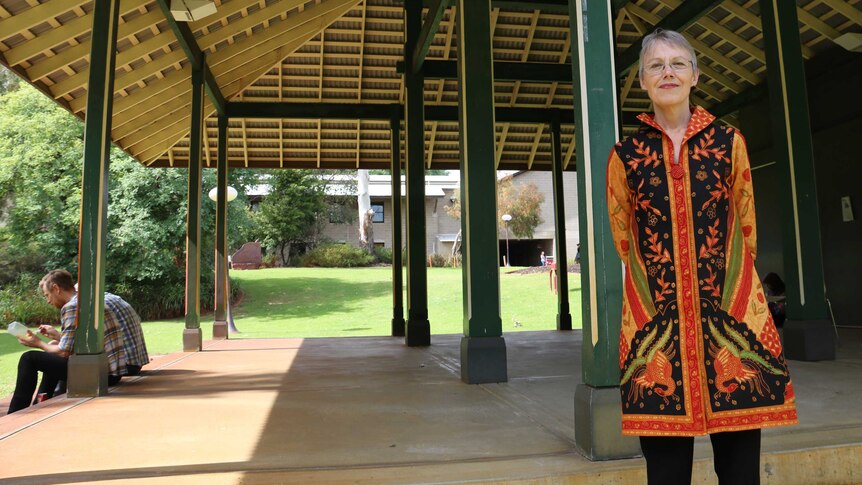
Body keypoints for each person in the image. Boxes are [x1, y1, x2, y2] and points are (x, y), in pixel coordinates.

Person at [605, 29, 797, 485]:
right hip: (656, 330)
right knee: (666, 472)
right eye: (656, 65)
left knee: (739, 470)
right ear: (643, 82)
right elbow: (623, 238)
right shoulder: (626, 155)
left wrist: (727, 294)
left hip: (730, 324)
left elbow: (746, 227)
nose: (667, 72)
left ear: (695, 75)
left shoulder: (729, 142)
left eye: (677, 64)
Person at [8, 270, 149, 414]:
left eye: (47, 295)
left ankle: (16, 412)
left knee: (29, 358)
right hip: (111, 371)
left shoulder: (72, 306)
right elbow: (81, 342)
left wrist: (37, 342)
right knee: (49, 356)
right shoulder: (86, 302)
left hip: (102, 375)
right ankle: (41, 400)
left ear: (56, 288)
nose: (48, 301)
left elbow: (64, 351)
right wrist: (56, 336)